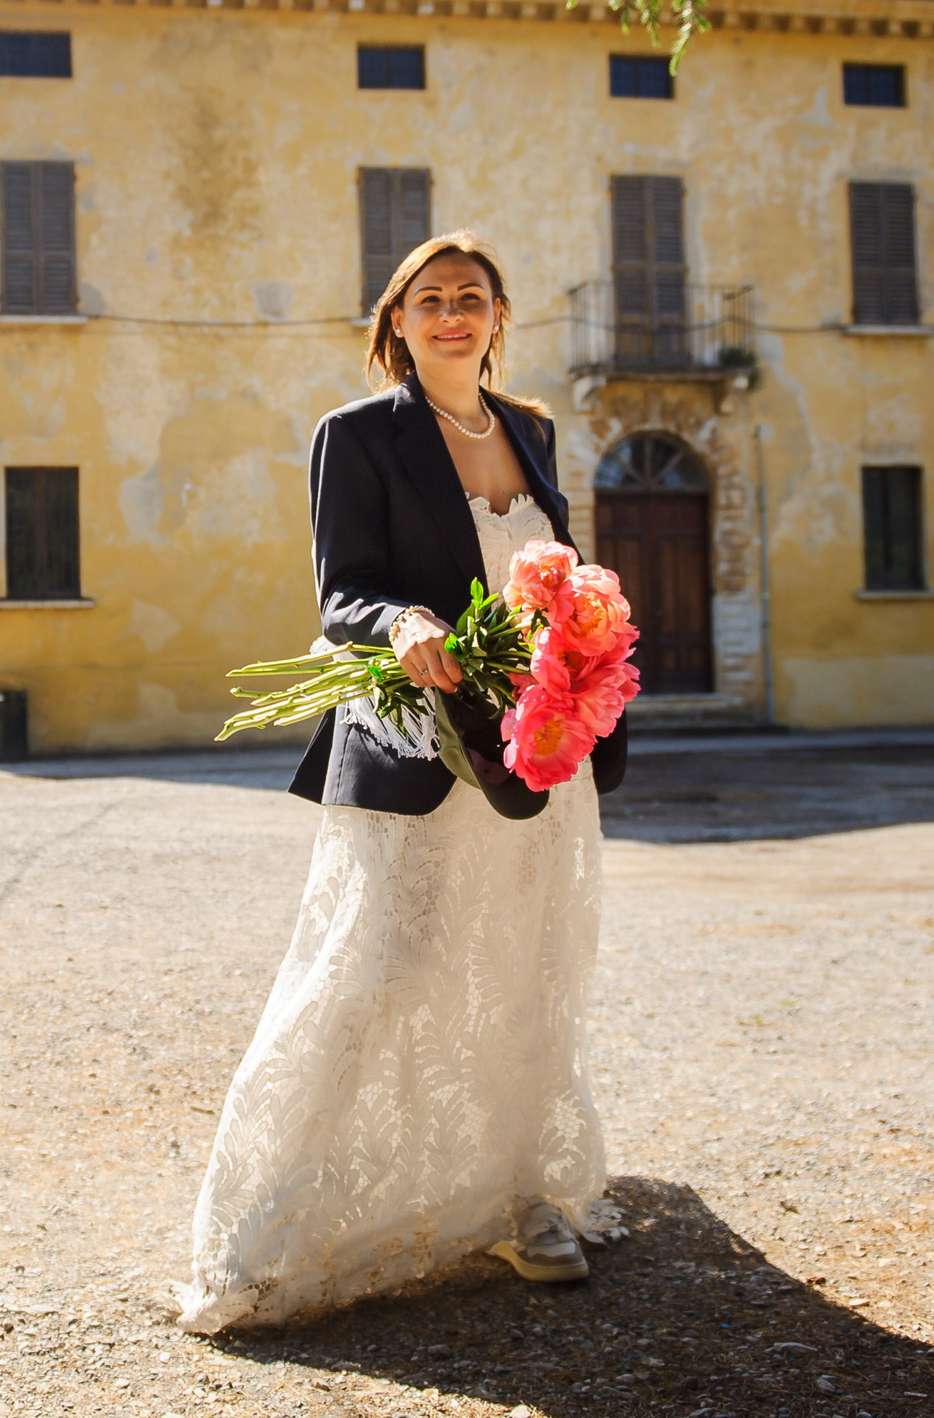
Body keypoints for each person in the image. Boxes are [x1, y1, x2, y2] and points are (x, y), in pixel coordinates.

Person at [175, 231, 628, 1334]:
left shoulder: (533, 430)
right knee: (377, 962)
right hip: (415, 734)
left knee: (525, 961)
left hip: (529, 747)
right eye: (431, 299)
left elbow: (551, 572)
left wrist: (581, 632)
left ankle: (524, 1198)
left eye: (472, 296)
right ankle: (273, 1224)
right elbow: (343, 593)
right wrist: (406, 619)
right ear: (396, 320)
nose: (453, 313)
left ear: (496, 316)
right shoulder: (355, 436)